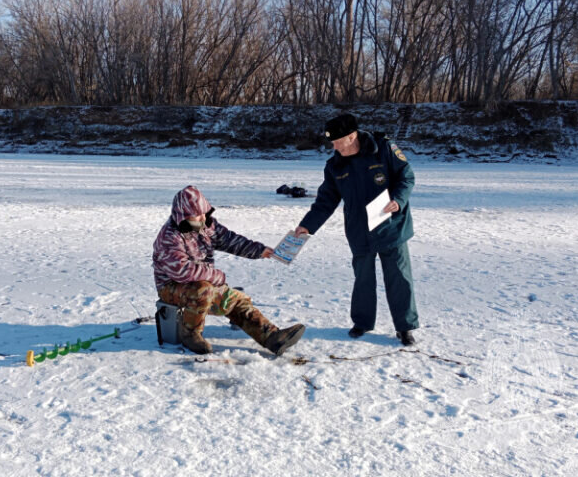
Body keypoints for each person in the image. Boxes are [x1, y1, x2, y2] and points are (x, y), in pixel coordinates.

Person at [294, 113, 419, 346]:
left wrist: (399, 200)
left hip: (391, 225)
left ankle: (405, 327)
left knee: (399, 277)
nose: (334, 147)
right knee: (362, 278)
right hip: (359, 229)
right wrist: (307, 225)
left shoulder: (383, 149)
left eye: (338, 142)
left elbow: (406, 176)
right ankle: (362, 322)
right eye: (332, 143)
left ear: (352, 137)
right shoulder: (335, 165)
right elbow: (326, 201)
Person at [153, 185, 305, 356]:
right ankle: (190, 334)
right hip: (171, 287)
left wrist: (259, 251)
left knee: (236, 300)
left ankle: (272, 337)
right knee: (204, 289)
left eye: (204, 212)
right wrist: (217, 277)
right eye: (197, 215)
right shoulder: (170, 237)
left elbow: (230, 240)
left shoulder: (206, 226)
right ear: (183, 215)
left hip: (203, 283)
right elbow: (182, 272)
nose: (203, 218)